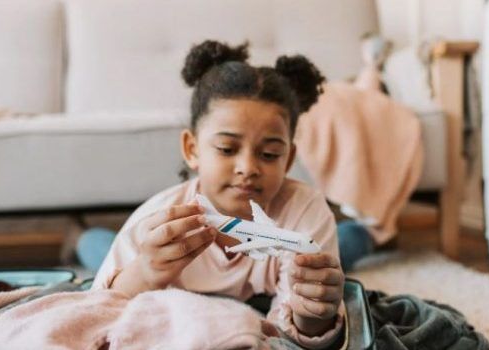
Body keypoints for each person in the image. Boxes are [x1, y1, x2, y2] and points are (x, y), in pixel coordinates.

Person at [86, 40, 345, 348]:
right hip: (140, 251)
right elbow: (97, 308)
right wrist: (145, 271)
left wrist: (311, 314)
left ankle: (359, 236)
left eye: (270, 154)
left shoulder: (305, 211)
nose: (248, 167)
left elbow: (300, 334)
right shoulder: (158, 219)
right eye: (226, 149)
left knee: (346, 252)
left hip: (290, 256)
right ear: (192, 149)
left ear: (288, 159)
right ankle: (83, 238)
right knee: (96, 247)